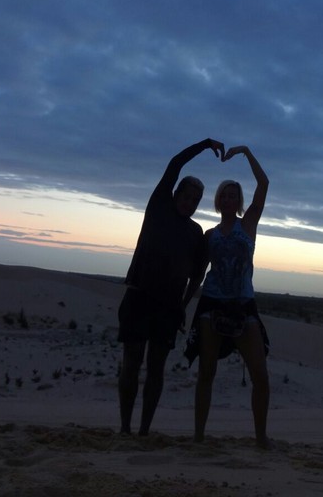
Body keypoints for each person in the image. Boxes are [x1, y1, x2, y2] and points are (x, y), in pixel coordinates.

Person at [118, 138, 225, 436]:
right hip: (138, 297)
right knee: (131, 362)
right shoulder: (159, 206)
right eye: (186, 196)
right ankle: (125, 428)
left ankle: (144, 431)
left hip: (167, 308)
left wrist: (183, 305)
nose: (189, 203)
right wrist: (205, 144)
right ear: (176, 193)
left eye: (195, 201)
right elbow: (175, 164)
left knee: (156, 368)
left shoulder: (195, 232)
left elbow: (197, 275)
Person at [184, 145, 271, 448]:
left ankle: (261, 438)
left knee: (260, 375)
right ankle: (198, 437)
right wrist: (184, 304)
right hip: (212, 303)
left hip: (243, 304)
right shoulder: (210, 235)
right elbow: (198, 274)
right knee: (206, 372)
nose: (229, 199)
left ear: (239, 201)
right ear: (219, 201)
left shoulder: (249, 225)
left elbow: (264, 184)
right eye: (225, 195)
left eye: (234, 195)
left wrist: (246, 152)